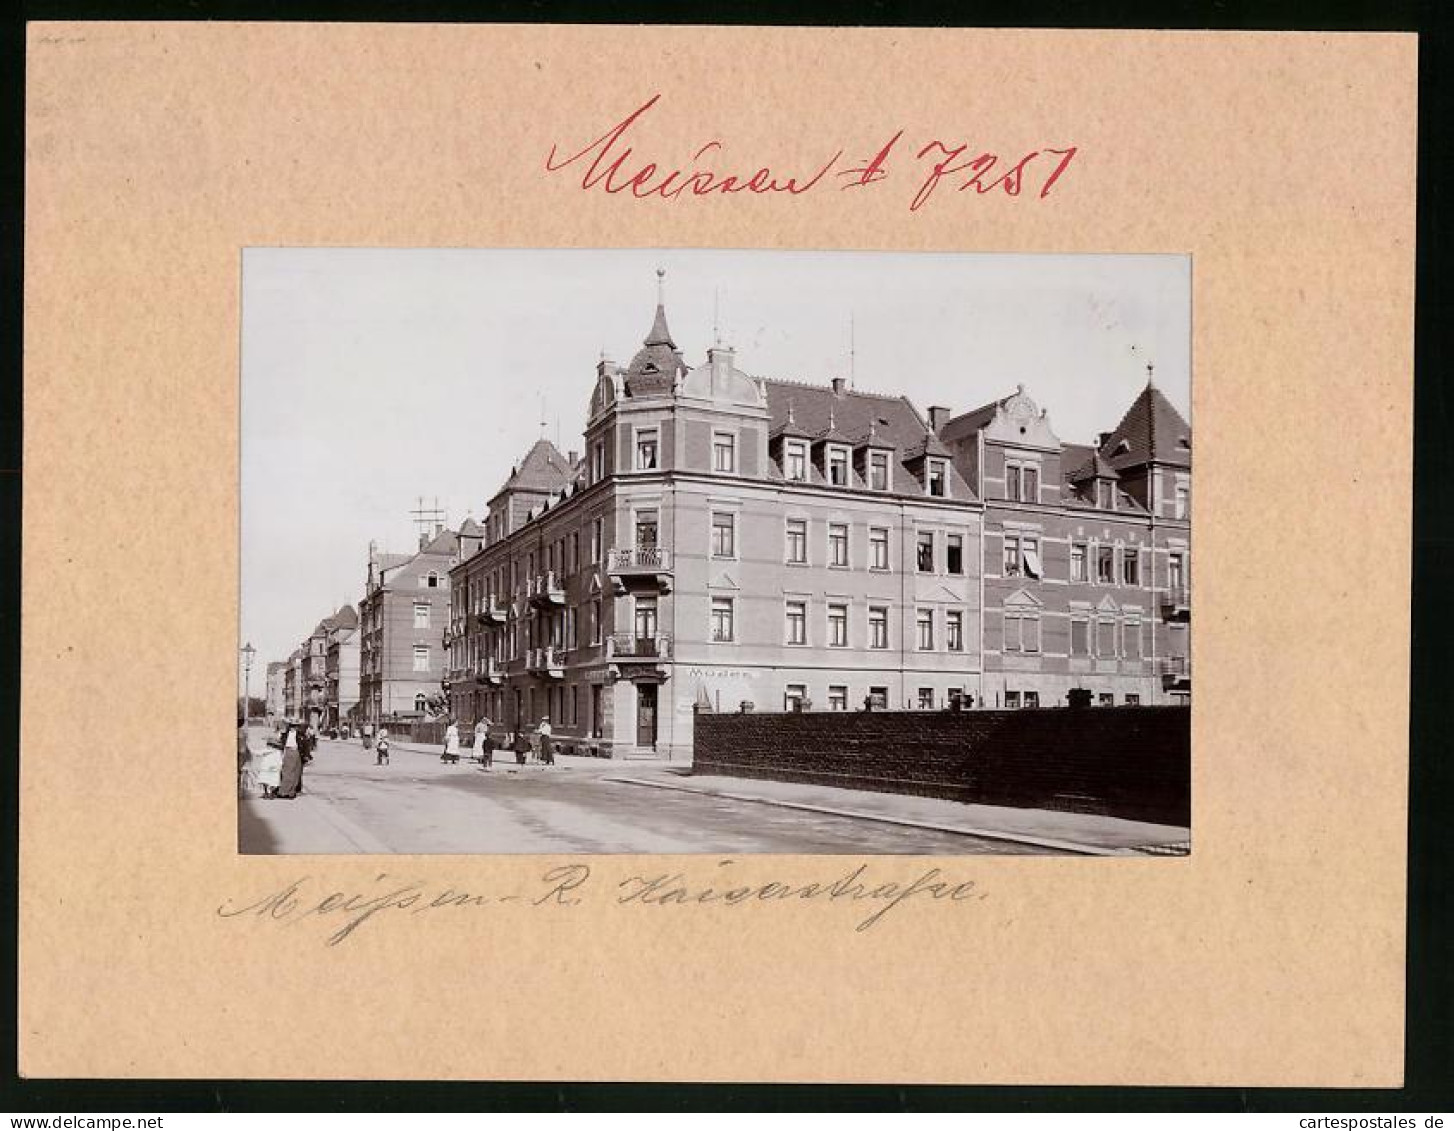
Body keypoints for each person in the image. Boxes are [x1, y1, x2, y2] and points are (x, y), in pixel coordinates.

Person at [275, 723, 303, 800]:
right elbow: (279, 743)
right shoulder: (284, 735)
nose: (293, 728)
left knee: (295, 772)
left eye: (295, 726)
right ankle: (283, 792)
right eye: (291, 726)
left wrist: (306, 756)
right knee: (286, 772)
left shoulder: (300, 735)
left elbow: (305, 745)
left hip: (296, 751)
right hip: (287, 751)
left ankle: (291, 792)